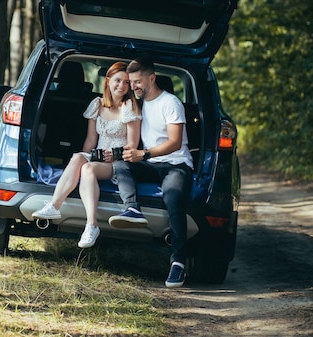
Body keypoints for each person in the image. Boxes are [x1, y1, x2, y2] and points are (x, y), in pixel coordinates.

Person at [32, 61, 142, 248]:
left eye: (126, 82)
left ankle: (92, 225)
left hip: (118, 161)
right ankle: (54, 206)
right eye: (117, 80)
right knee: (78, 158)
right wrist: (85, 156)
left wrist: (114, 155)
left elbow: (133, 144)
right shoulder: (96, 104)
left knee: (89, 169)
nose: (121, 86)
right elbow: (91, 140)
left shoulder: (129, 107)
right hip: (97, 156)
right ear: (108, 81)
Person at [110, 58, 193, 288]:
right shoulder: (138, 104)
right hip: (150, 162)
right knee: (121, 164)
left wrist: (143, 154)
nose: (133, 86)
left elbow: (175, 143)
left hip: (175, 164)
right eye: (131, 82)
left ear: (152, 79)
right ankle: (132, 208)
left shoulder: (171, 103)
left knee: (173, 197)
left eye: (137, 81)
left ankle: (178, 262)